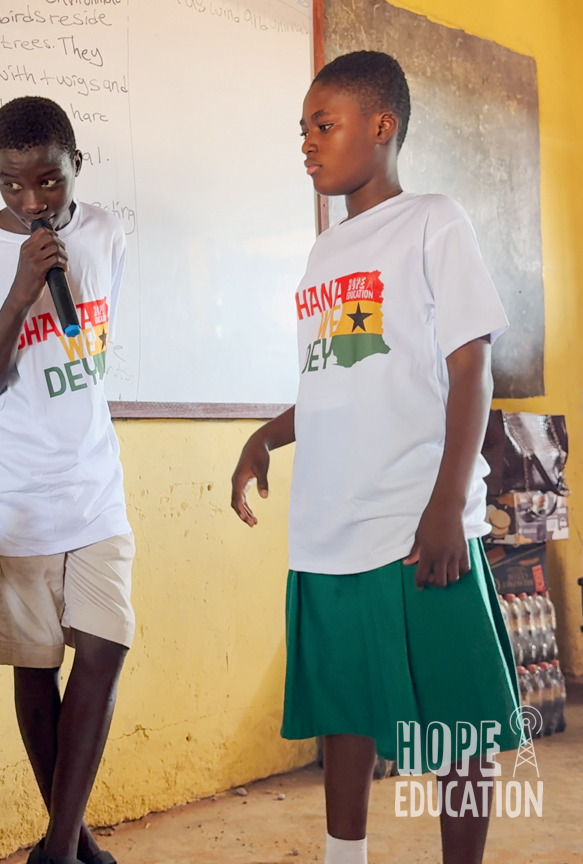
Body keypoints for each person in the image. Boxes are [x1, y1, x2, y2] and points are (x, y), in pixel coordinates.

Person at [230, 52, 521, 864]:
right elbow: (338, 379)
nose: (307, 144)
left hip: (414, 518)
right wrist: (265, 436)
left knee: (461, 719)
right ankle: (343, 855)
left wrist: (446, 505)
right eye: (302, 130)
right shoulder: (323, 254)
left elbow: (471, 365)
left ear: (382, 126)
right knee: (345, 708)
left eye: (324, 126)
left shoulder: (433, 220)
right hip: (330, 522)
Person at [0, 96, 133, 864]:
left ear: (76, 165)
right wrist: (20, 292)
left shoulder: (107, 232)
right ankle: (72, 843)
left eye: (48, 181)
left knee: (106, 647)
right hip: (15, 495)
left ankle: (55, 848)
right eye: (11, 185)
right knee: (37, 666)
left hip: (93, 481)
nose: (31, 200)